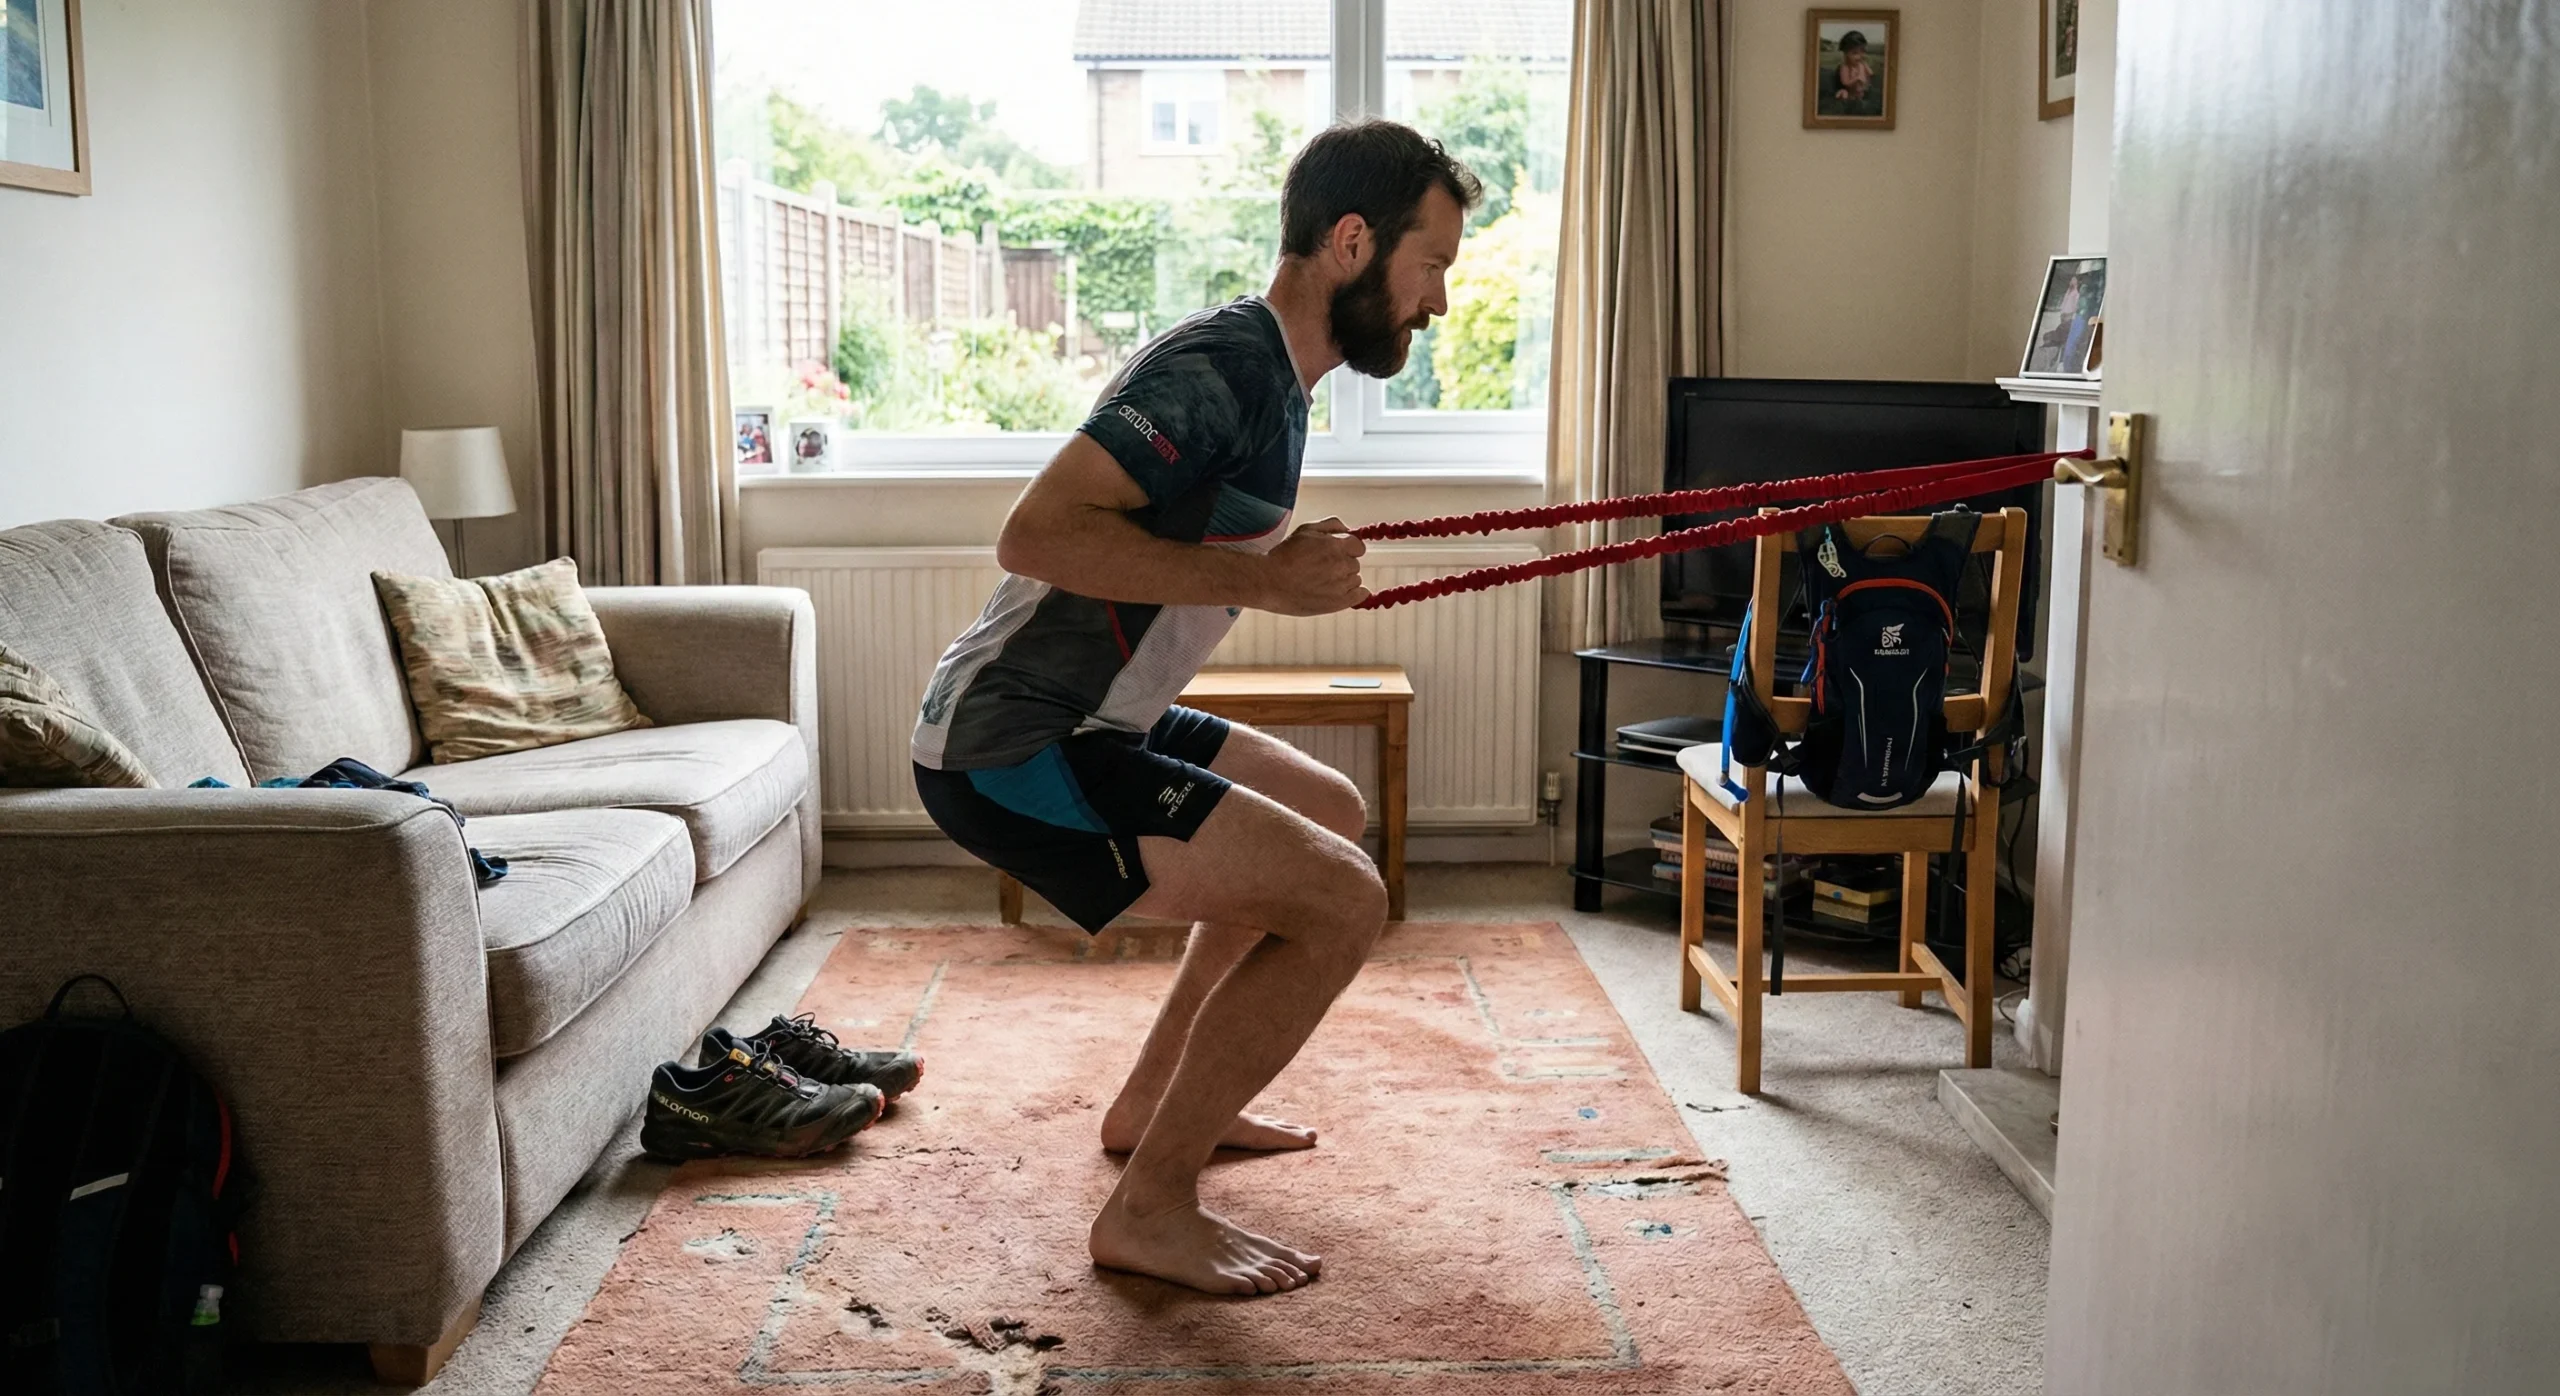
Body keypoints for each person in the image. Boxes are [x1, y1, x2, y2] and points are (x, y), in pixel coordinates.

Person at [910, 120, 1479, 1297]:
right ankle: (1151, 1204)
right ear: (1352, 242)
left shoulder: (1280, 379)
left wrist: (1275, 572)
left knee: (1326, 804)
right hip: (1013, 738)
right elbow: (1037, 532)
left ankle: (1148, 1110)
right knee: (1340, 901)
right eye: (1430, 267)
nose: (1435, 302)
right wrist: (1267, 582)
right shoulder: (1218, 366)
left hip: (1101, 719)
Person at [1833, 31, 1875, 106]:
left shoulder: (1862, 64)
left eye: (1862, 51)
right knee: (1844, 95)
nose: (1860, 56)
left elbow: (1871, 73)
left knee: (1864, 100)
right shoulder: (1845, 67)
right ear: (1845, 54)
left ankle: (1860, 100)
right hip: (1850, 91)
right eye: (1855, 53)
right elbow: (1845, 82)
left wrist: (1866, 67)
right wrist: (1857, 78)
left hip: (1862, 91)